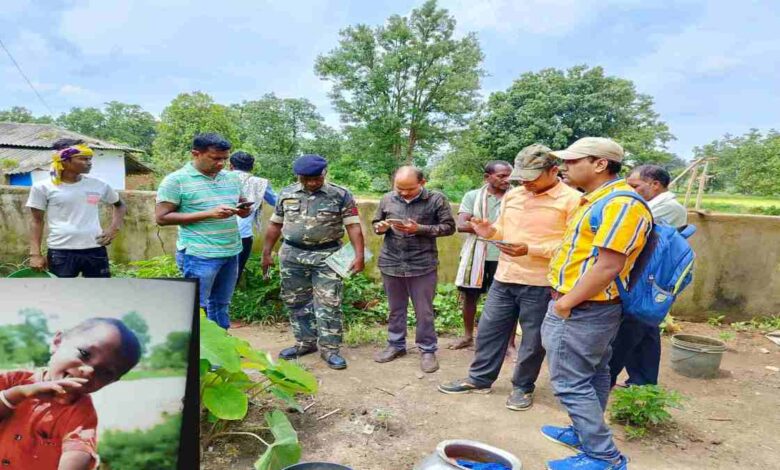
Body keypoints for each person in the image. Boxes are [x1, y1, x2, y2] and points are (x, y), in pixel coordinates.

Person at [438, 145, 581, 412]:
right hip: (505, 277)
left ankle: (523, 386)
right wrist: (489, 230)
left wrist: (531, 249)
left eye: (532, 177)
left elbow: (572, 246)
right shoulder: (514, 195)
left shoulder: (572, 200)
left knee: (532, 339)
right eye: (522, 177)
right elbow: (503, 228)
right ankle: (479, 379)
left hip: (541, 282)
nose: (526, 182)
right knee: (490, 330)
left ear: (554, 171)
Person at [540, 137, 652, 470]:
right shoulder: (596, 201)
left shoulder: (621, 204)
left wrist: (565, 304)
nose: (565, 167)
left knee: (569, 381)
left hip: (583, 308)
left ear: (600, 164)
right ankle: (582, 432)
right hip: (588, 308)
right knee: (595, 373)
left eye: (573, 161)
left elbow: (608, 265)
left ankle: (603, 456)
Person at [263, 155, 365, 370]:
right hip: (292, 255)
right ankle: (305, 343)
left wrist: (359, 255)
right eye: (305, 179)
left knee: (329, 302)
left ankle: (330, 349)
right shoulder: (286, 193)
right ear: (298, 176)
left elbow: (353, 226)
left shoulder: (340, 195)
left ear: (325, 173)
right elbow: (275, 224)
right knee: (296, 301)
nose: (311, 183)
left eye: (316, 178)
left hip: (328, 256)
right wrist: (267, 252)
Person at [0, 317, 141, 470]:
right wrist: (19, 393)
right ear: (57, 342)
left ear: (112, 381)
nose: (89, 371)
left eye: (105, 372)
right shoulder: (11, 381)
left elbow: (77, 452)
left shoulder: (80, 414)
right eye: (84, 354)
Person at [156, 133, 251, 329]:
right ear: (195, 154)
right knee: (196, 308)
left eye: (225, 159)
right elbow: (162, 217)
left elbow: (241, 205)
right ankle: (196, 353)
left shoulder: (232, 178)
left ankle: (221, 351)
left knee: (221, 305)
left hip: (231, 251)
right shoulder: (176, 180)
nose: (221, 164)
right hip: (199, 255)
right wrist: (209, 214)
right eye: (215, 158)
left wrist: (244, 210)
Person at [609, 165, 688, 388]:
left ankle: (607, 378)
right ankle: (642, 381)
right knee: (645, 331)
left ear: (655, 184)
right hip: (645, 277)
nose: (630, 190)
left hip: (649, 280)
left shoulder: (668, 209)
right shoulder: (653, 205)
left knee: (630, 330)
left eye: (635, 186)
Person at [372, 166, 456, 373]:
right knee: (395, 309)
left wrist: (419, 229)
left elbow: (449, 227)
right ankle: (396, 345)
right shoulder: (387, 198)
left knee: (424, 311)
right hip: (391, 262)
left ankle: (427, 350)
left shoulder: (436, 199)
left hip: (422, 264)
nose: (402, 193)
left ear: (422, 183)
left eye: (408, 189)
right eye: (399, 188)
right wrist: (380, 227)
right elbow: (376, 222)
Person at [26, 138, 127, 277]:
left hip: (95, 250)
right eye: (83, 159)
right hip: (61, 252)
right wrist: (35, 254)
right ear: (65, 161)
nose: (89, 162)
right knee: (63, 295)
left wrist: (113, 229)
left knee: (101, 293)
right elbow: (36, 221)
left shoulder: (98, 185)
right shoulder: (43, 187)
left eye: (90, 159)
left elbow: (120, 205)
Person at [451, 160, 512, 351]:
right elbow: (461, 225)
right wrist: (494, 229)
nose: (507, 180)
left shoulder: (517, 197)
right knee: (470, 297)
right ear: (487, 177)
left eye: (510, 175)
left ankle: (509, 344)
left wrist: (482, 226)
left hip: (505, 254)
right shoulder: (473, 196)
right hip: (476, 255)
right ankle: (468, 336)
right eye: (502, 176)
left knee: (510, 301)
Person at [228, 151, 278, 286]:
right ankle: (228, 297)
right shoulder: (260, 183)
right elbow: (277, 201)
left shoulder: (218, 178)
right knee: (235, 271)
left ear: (231, 165)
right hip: (243, 234)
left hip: (216, 233)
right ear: (252, 167)